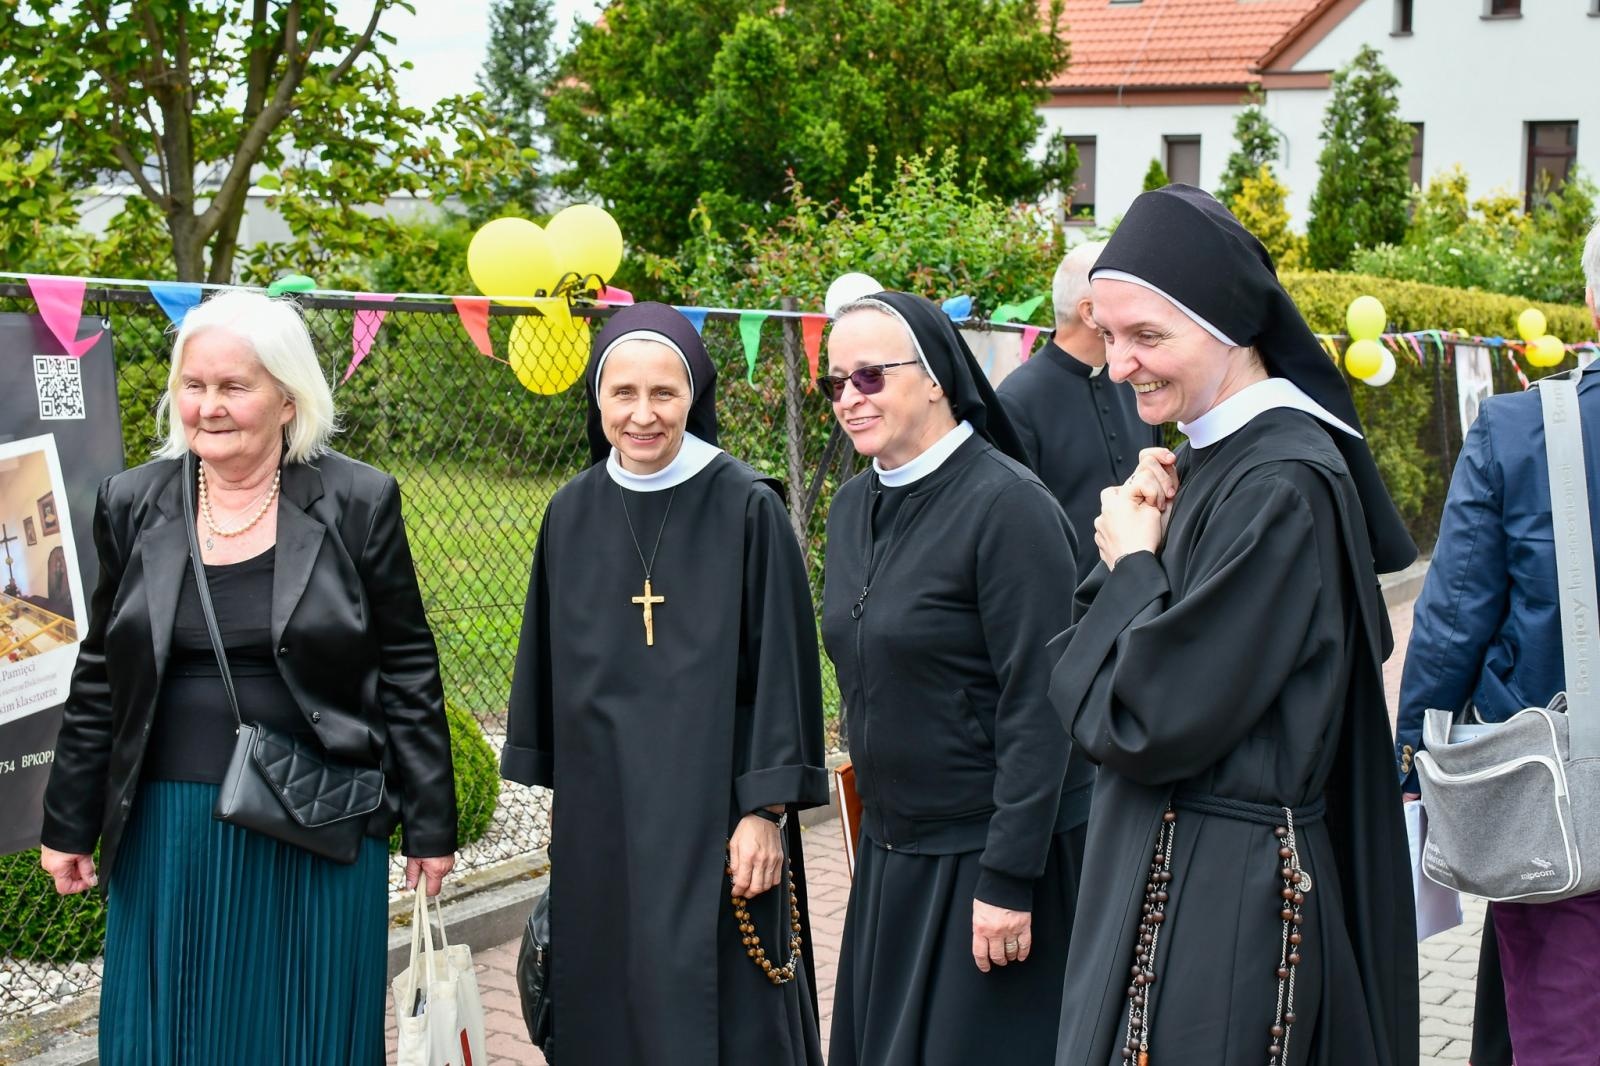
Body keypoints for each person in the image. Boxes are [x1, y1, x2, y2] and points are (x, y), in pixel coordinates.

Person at [1048, 185, 1419, 1066]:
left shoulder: (1279, 485)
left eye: (1148, 337)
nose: (1119, 365)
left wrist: (1132, 562)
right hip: (1186, 869)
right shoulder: (1213, 459)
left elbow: (1144, 716)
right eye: (1109, 335)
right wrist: (1131, 552)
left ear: (1228, 326)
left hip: (1227, 903)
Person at [38, 291, 457, 1066]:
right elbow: (102, 668)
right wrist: (67, 818)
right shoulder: (133, 502)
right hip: (168, 829)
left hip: (316, 816)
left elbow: (406, 663)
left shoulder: (357, 501)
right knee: (172, 1033)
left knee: (304, 1031)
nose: (209, 406)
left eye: (234, 387)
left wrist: (430, 822)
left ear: (288, 399)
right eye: (193, 386)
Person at [501, 302, 828, 1066]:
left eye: (664, 394)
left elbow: (783, 667)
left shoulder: (749, 505)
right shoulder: (570, 512)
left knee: (720, 1013)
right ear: (597, 400)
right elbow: (547, 664)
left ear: (695, 398)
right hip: (604, 818)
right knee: (607, 1006)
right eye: (623, 394)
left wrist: (766, 812)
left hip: (714, 817)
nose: (642, 415)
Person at [821, 290, 1086, 1066]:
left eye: (869, 376)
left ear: (936, 376)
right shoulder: (849, 506)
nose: (848, 399)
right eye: (834, 382)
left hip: (987, 858)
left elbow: (1042, 708)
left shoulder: (1008, 506)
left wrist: (1007, 879)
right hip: (893, 854)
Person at [1394, 219, 1600, 1066]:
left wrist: (1415, 762)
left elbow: (1451, 623)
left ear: (1591, 296)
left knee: (1561, 1031)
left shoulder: (1524, 430)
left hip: (1566, 811)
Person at [998, 241, 1159, 579]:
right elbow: (1013, 530)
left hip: (1141, 589)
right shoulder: (1016, 401)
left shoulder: (1135, 381)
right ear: (1089, 313)